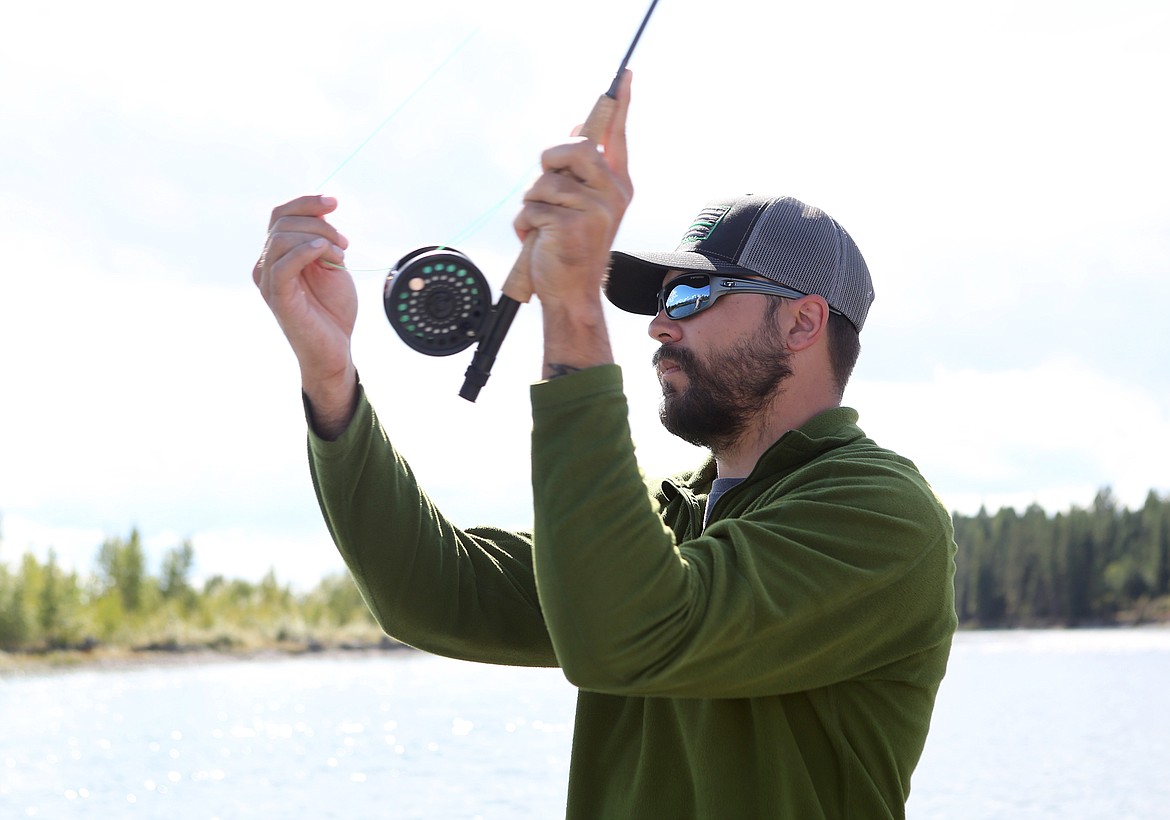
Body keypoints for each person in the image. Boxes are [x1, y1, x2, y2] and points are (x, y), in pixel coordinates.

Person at [253, 71, 957, 819]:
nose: (659, 324)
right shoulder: (671, 519)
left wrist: (574, 299)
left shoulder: (882, 515)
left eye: (692, 295)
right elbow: (433, 592)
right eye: (655, 300)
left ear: (802, 323)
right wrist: (330, 377)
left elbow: (635, 631)